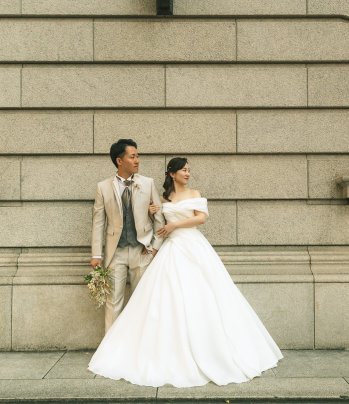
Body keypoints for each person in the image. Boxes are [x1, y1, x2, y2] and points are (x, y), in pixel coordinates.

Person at [89, 157, 282, 387]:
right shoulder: (163, 199)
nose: (187, 174)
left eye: (188, 170)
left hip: (193, 245)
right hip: (171, 249)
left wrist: (173, 226)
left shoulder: (194, 193)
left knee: (202, 295)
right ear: (172, 174)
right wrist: (154, 214)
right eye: (183, 170)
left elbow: (200, 218)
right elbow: (158, 220)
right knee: (166, 299)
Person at [90, 139, 164, 332]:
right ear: (119, 160)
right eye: (133, 156)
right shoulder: (103, 187)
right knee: (113, 302)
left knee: (143, 300)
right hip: (116, 253)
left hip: (142, 251)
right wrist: (96, 254)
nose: (137, 160)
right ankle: (110, 352)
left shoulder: (147, 183)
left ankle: (142, 346)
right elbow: (98, 222)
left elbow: (159, 218)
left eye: (137, 156)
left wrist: (154, 247)